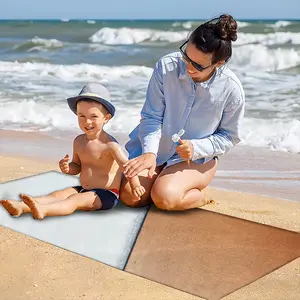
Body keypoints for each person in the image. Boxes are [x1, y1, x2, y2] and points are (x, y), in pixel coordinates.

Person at [120, 14, 245, 211]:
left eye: (196, 65)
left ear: (219, 63)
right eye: (186, 56)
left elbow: (229, 137)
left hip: (194, 158)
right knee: (131, 196)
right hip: (157, 148)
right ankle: (163, 180)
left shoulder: (231, 89)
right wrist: (150, 152)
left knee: (165, 198)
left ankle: (199, 196)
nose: (187, 67)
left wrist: (196, 147)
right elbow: (152, 116)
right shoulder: (166, 66)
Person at [0, 83, 145, 220]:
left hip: (105, 195)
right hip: (83, 188)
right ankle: (21, 207)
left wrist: (136, 185)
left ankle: (44, 210)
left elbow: (127, 167)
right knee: (57, 195)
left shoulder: (111, 145)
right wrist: (68, 168)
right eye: (82, 116)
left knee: (74, 200)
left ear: (106, 118)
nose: (87, 122)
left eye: (93, 116)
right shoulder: (79, 141)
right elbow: (77, 166)